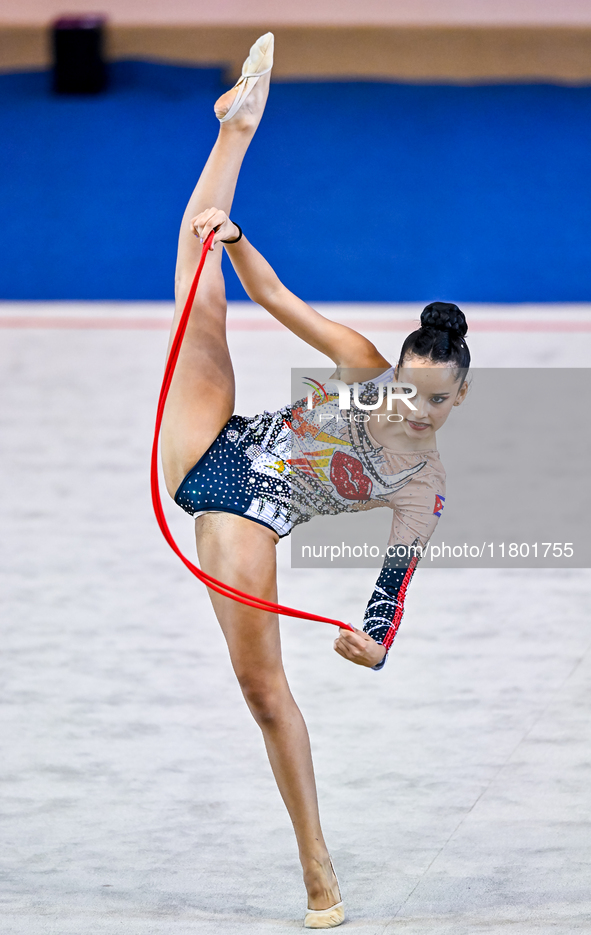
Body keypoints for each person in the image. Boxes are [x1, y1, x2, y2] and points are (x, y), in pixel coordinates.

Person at [160, 33, 470, 929]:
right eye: (407, 390)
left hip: (253, 509)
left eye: (434, 402)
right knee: (199, 273)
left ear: (460, 394)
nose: (413, 409)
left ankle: (317, 871)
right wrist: (239, 237)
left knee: (265, 695)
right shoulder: (367, 363)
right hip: (222, 437)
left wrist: (375, 643)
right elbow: (279, 301)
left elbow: (388, 596)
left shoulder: (423, 491)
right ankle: (238, 127)